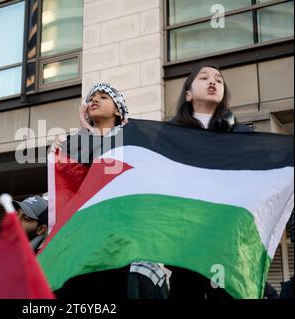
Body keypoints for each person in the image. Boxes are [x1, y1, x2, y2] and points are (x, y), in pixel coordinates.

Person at [52, 83, 169, 299]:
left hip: (119, 242)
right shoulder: (72, 145)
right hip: (83, 243)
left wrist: (90, 137)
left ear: (118, 110)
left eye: (103, 97)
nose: (94, 100)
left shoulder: (135, 140)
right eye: (92, 97)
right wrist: (62, 151)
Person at [167, 63, 253, 299]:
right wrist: (82, 141)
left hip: (228, 244)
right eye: (204, 78)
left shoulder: (243, 136)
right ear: (188, 94)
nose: (213, 82)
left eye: (218, 79)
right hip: (185, 246)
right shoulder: (167, 136)